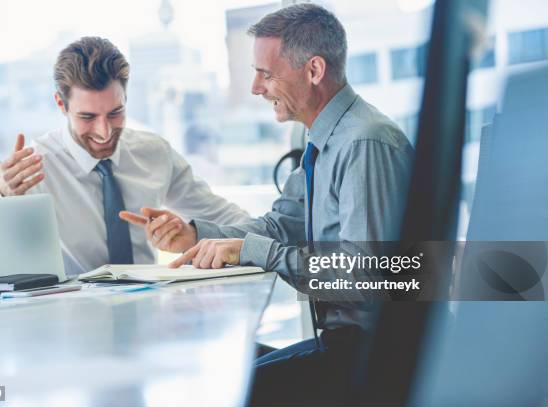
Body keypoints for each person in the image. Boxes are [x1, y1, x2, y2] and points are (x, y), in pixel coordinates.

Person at [122, 4, 414, 405]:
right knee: (220, 362)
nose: (256, 88)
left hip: (375, 355)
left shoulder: (363, 142)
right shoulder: (322, 140)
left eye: (266, 74)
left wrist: (260, 252)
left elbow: (366, 280)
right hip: (344, 344)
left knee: (221, 389)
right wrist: (195, 236)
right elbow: (278, 227)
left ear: (314, 71)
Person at [0, 36, 249, 274]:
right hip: (72, 308)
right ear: (61, 105)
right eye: (88, 117)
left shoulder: (153, 153)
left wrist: (197, 235)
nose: (104, 132)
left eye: (115, 112)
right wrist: (5, 197)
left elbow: (228, 218)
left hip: (150, 303)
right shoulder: (34, 166)